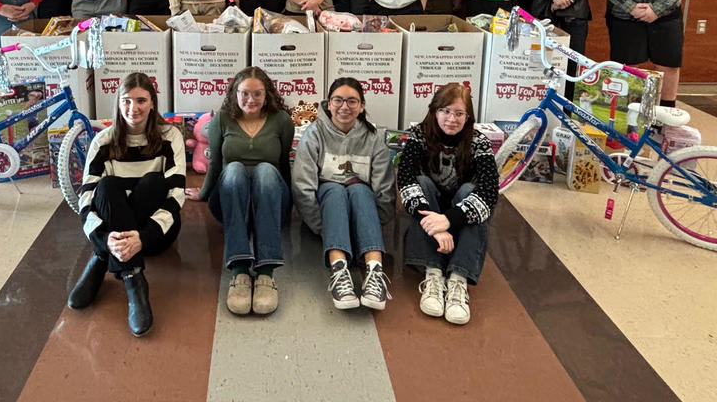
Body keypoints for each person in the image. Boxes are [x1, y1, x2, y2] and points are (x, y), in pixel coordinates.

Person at [67, 72, 186, 337]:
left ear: (153, 103)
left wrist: (143, 238)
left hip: (156, 235)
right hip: (115, 234)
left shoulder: (170, 136)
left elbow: (177, 194)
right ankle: (134, 280)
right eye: (127, 101)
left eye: (141, 100)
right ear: (119, 104)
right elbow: (86, 199)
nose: (134, 108)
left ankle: (101, 258)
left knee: (156, 182)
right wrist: (103, 237)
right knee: (106, 187)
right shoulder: (104, 141)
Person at [185, 67, 294, 316]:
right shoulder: (222, 120)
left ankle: (266, 273)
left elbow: (283, 167)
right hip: (231, 200)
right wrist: (203, 194)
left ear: (267, 95)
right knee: (233, 169)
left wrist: (287, 207)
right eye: (245, 93)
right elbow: (214, 165)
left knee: (267, 170)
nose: (251, 100)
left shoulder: (281, 121)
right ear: (235, 93)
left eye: (257, 94)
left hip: (268, 197)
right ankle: (240, 271)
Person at [397, 83, 498, 325]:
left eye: (459, 113)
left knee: (470, 191)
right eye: (445, 111)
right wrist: (434, 223)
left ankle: (458, 280)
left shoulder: (479, 142)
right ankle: (432, 273)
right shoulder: (419, 135)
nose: (451, 119)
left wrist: (448, 220)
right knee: (421, 183)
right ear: (434, 111)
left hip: (458, 216)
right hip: (430, 217)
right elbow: (405, 179)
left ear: (468, 116)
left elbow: (490, 191)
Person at [292, 78, 395, 311]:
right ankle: (339, 271)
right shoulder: (314, 134)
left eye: (352, 101)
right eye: (338, 100)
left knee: (359, 189)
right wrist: (323, 226)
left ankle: (375, 273)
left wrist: (368, 226)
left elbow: (385, 191)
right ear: (328, 104)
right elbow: (303, 188)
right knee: (335, 189)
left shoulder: (373, 139)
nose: (344, 107)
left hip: (363, 210)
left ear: (362, 106)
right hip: (328, 211)